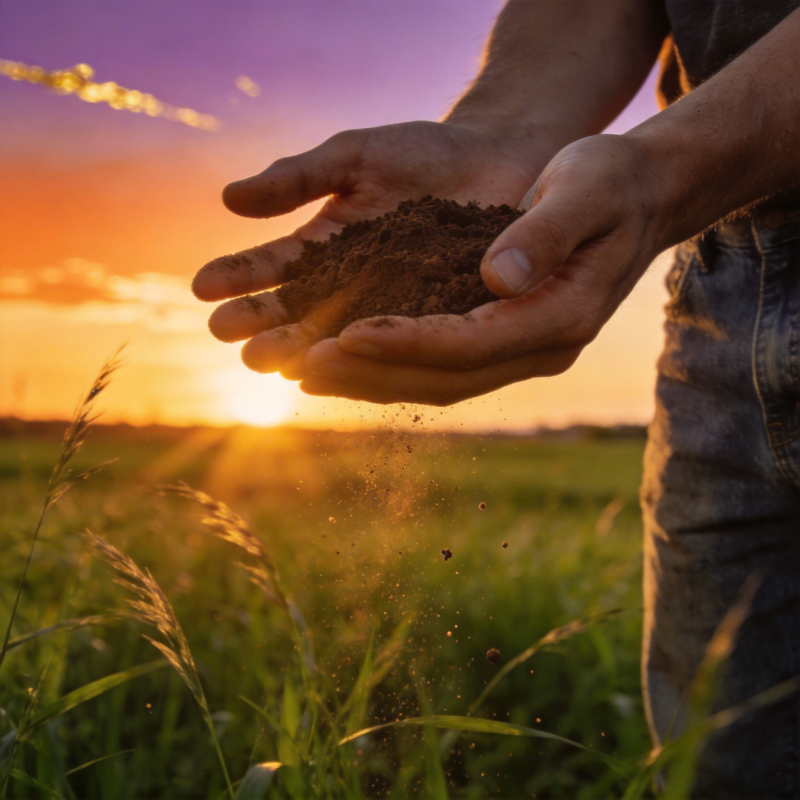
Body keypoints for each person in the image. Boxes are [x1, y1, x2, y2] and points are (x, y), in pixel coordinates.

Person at [193, 1, 800, 795]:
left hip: (703, 190)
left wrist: (662, 171)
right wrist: (498, 135)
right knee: (716, 767)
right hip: (724, 283)